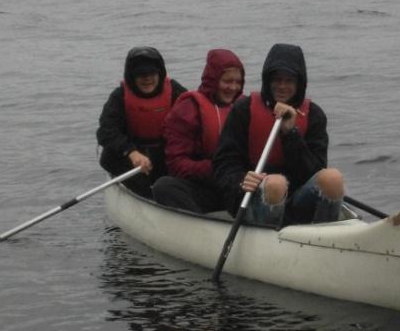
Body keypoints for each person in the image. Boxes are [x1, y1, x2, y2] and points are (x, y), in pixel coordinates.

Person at [213, 43, 345, 227]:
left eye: (289, 80)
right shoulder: (243, 110)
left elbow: (314, 172)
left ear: (299, 83)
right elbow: (223, 164)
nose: (282, 86)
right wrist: (240, 180)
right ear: (267, 80)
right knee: (275, 184)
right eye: (277, 80)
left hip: (297, 202)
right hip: (253, 201)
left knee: (333, 178)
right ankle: (270, 239)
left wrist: (290, 133)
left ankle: (327, 236)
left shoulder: (314, 115)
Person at [151, 49, 245, 215]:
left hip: (237, 185)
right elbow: (177, 165)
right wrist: (218, 169)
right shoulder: (188, 108)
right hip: (204, 187)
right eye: (227, 81)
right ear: (213, 80)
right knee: (164, 187)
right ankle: (200, 228)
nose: (233, 87)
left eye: (238, 82)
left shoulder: (244, 106)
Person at [96, 46, 187, 198]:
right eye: (141, 74)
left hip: (165, 154)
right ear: (131, 76)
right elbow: (105, 132)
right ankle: (147, 199)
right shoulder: (119, 97)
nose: (147, 79)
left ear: (160, 73)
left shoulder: (176, 92)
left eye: (152, 73)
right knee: (137, 181)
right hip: (130, 158)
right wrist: (131, 152)